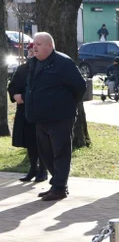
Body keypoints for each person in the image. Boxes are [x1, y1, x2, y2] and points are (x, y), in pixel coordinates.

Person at [24, 32, 86, 201]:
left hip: (60, 117)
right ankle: (57, 183)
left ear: (49, 46)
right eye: (33, 44)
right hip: (40, 117)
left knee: (60, 152)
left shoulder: (63, 63)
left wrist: (65, 104)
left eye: (38, 44)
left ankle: (59, 187)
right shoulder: (34, 63)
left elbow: (79, 87)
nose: (34, 47)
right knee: (46, 153)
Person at [8, 40, 46, 183]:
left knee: (41, 142)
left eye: (34, 51)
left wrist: (25, 97)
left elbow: (42, 90)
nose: (31, 54)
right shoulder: (22, 69)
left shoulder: (43, 68)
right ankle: (33, 169)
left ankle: (43, 170)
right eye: (29, 52)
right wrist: (15, 95)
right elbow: (12, 87)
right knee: (30, 142)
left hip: (39, 111)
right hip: (24, 111)